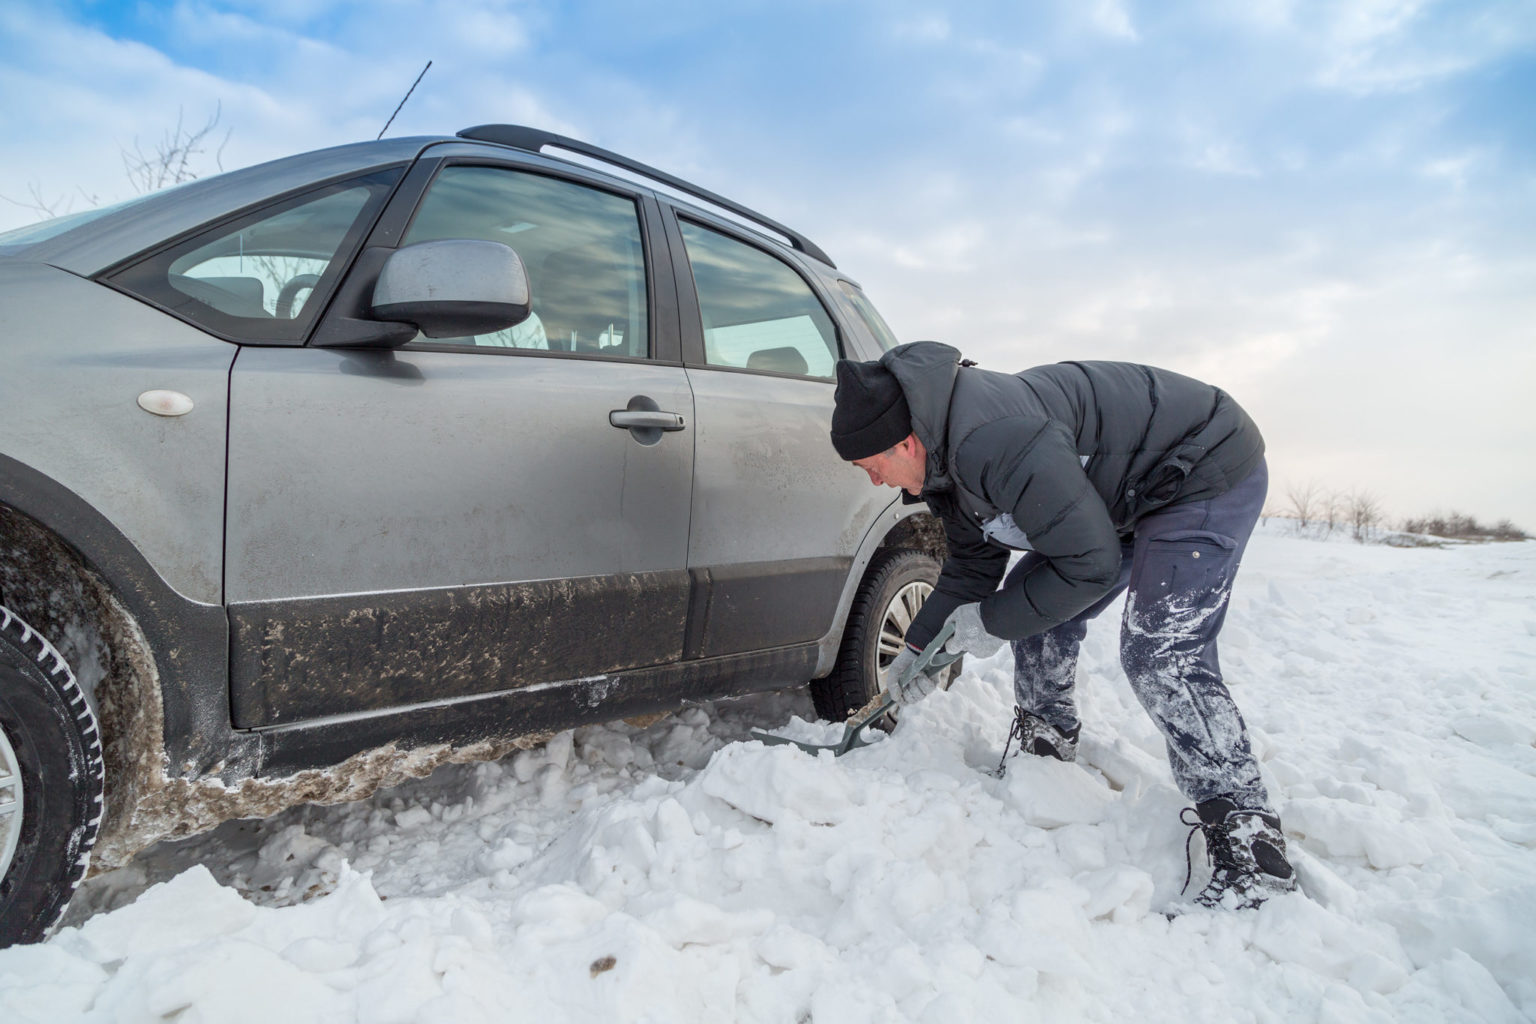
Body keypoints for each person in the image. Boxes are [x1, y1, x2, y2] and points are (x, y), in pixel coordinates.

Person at [829, 340, 1296, 910]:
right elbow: (972, 568)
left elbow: (1090, 565)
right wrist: (920, 646)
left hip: (1201, 468)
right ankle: (1045, 753)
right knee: (1041, 611)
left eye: (872, 467)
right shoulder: (941, 460)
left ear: (905, 442)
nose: (875, 482)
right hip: (1120, 496)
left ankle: (1251, 844)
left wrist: (991, 622)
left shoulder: (995, 440)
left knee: (1161, 651)